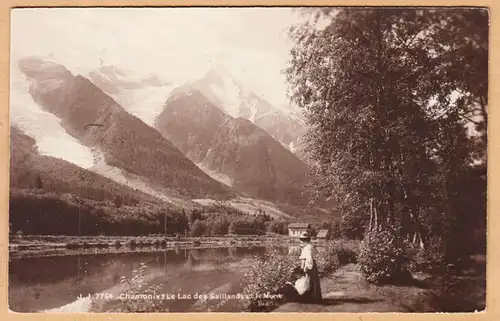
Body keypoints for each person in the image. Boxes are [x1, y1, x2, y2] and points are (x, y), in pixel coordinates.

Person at [297, 231, 322, 302]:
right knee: (311, 280)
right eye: (301, 240)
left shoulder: (307, 248)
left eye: (302, 240)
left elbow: (309, 258)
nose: (301, 241)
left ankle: (311, 298)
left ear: (305, 240)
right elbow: (316, 253)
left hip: (309, 264)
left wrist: (306, 267)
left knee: (309, 280)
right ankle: (314, 297)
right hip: (312, 264)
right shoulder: (309, 246)